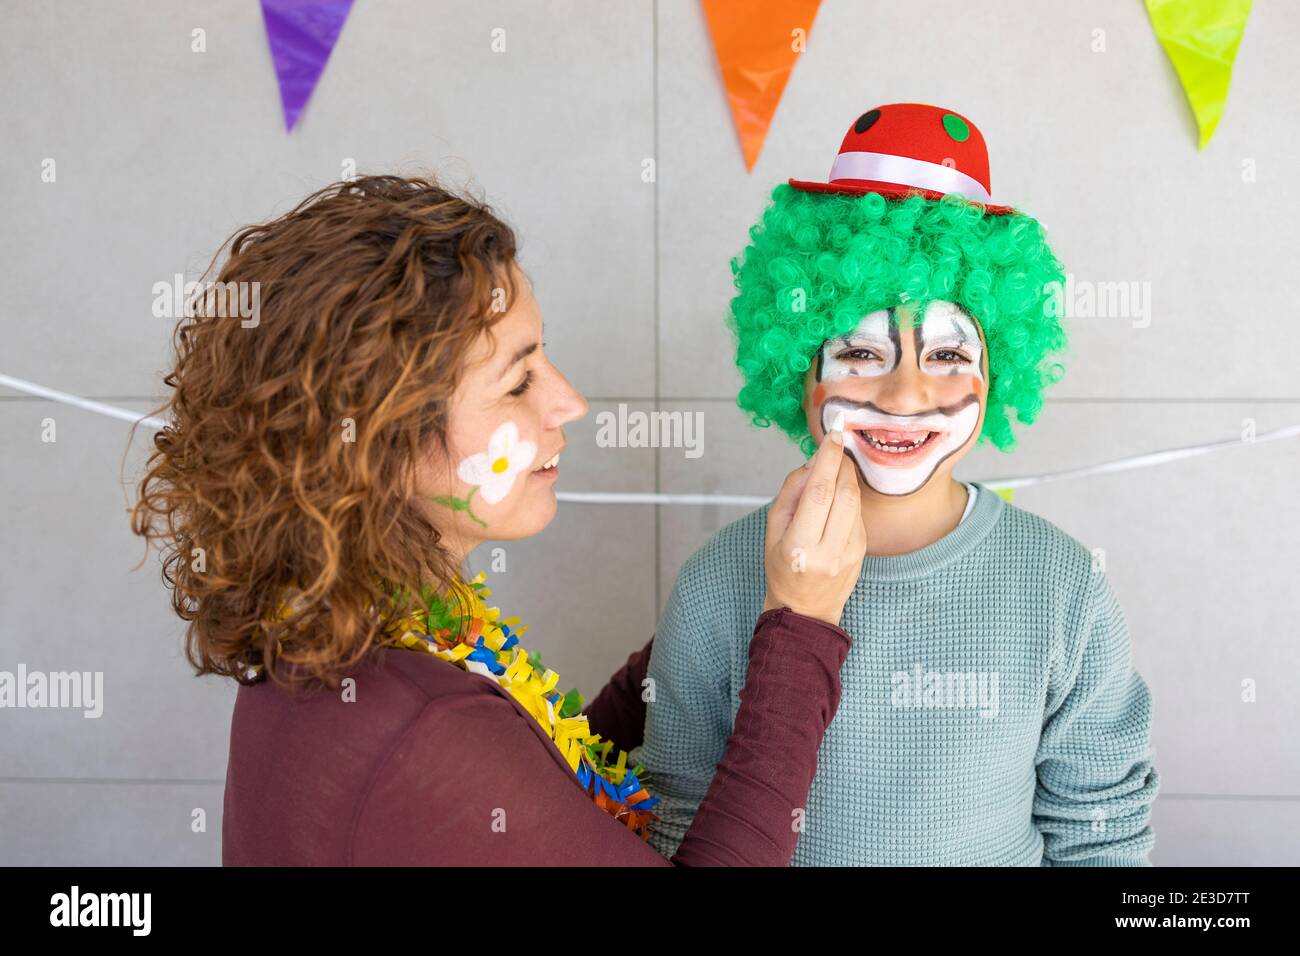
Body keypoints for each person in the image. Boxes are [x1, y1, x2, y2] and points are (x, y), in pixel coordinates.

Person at [130, 174, 867, 865]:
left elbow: (539, 775)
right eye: (518, 383)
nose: (569, 403)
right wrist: (799, 626)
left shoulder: (353, 633)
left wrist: (716, 617)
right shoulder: (418, 723)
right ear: (381, 447)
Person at [637, 104, 1160, 866]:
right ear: (800, 372)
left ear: (997, 368)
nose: (907, 396)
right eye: (859, 352)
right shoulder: (716, 584)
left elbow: (1101, 831)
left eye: (948, 355)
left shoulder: (1065, 587)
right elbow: (680, 823)